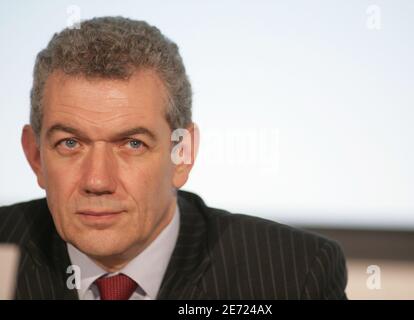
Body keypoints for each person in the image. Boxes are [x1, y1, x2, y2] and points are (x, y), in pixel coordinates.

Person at [0, 16, 347, 300]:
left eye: (132, 144)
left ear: (182, 154)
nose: (97, 181)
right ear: (34, 155)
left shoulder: (291, 275)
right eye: (70, 143)